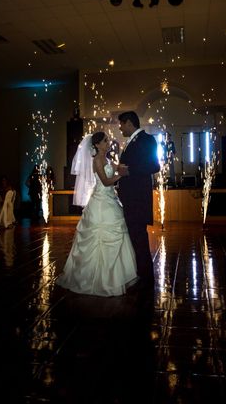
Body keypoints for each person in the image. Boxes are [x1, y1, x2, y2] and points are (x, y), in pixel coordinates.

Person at [56, 132, 137, 296]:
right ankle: (97, 279)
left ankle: (116, 276)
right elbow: (106, 181)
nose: (108, 143)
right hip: (100, 202)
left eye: (107, 140)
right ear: (97, 145)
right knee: (99, 235)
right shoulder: (97, 160)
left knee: (117, 234)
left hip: (110, 199)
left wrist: (130, 169)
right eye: (105, 141)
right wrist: (119, 175)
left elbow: (119, 168)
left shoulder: (107, 159)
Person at [117, 111, 161, 288]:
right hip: (130, 199)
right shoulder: (130, 142)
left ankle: (146, 278)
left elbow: (154, 165)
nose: (120, 128)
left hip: (137, 200)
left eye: (121, 124)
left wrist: (129, 170)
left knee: (139, 239)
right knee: (135, 239)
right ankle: (141, 275)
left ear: (128, 123)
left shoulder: (147, 140)